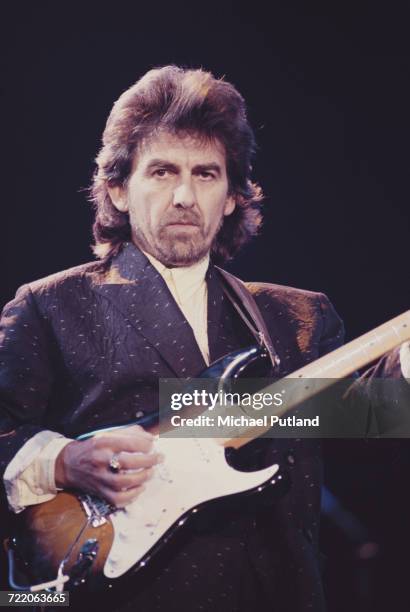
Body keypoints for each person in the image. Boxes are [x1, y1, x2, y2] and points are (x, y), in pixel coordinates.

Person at [0, 65, 408, 612]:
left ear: (234, 196)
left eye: (207, 174)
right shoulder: (50, 306)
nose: (185, 196)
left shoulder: (299, 319)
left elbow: (368, 422)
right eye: (163, 172)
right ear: (119, 190)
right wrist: (62, 461)